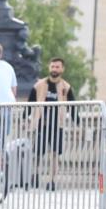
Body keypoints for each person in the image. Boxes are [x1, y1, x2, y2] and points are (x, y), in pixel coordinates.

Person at [27, 57, 76, 191]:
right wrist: (25, 118)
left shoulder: (66, 87)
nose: (54, 69)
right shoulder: (39, 85)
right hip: (41, 123)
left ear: (62, 69)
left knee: (55, 153)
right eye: (52, 66)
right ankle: (35, 175)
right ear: (49, 68)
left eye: (57, 67)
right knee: (37, 151)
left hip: (58, 125)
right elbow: (29, 103)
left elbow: (73, 106)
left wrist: (77, 121)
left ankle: (52, 180)